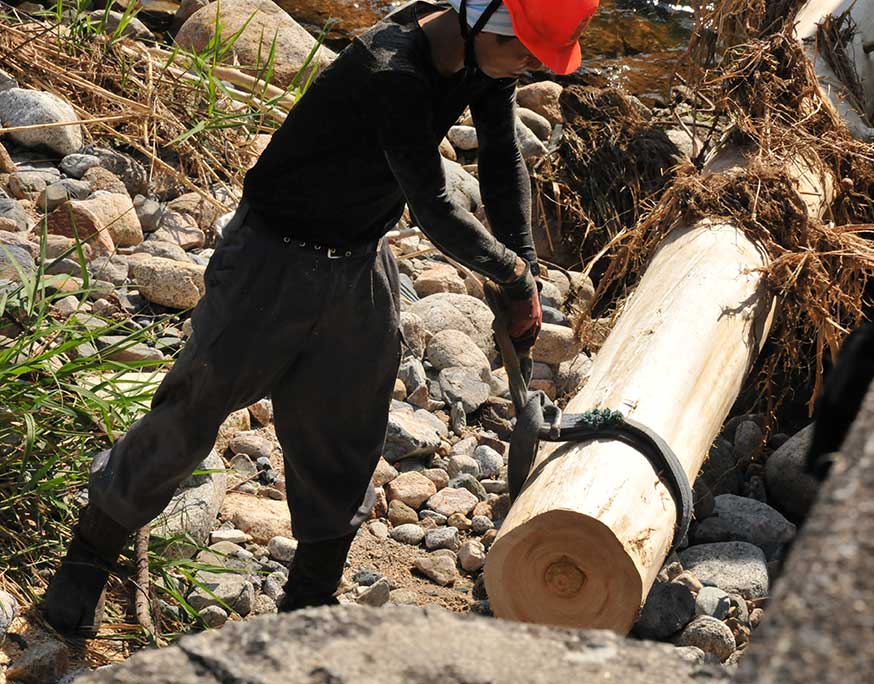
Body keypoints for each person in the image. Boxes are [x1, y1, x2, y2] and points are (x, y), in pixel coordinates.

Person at [42, 0, 600, 635]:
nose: (531, 68)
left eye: (540, 56)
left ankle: (308, 604)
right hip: (270, 262)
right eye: (525, 51)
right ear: (481, 20)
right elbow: (435, 205)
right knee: (190, 413)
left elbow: (502, 157)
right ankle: (87, 558)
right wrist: (515, 276)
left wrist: (520, 259)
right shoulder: (392, 68)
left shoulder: (485, 60)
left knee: (345, 438)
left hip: (360, 263)